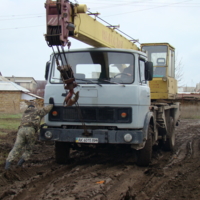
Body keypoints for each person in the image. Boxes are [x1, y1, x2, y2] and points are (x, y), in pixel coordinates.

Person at [5, 104, 53, 170]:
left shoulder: (24, 113)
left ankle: (7, 166)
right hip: (30, 130)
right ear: (34, 107)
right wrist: (52, 103)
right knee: (28, 150)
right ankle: (19, 165)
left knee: (16, 148)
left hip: (21, 130)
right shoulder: (37, 112)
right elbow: (47, 109)